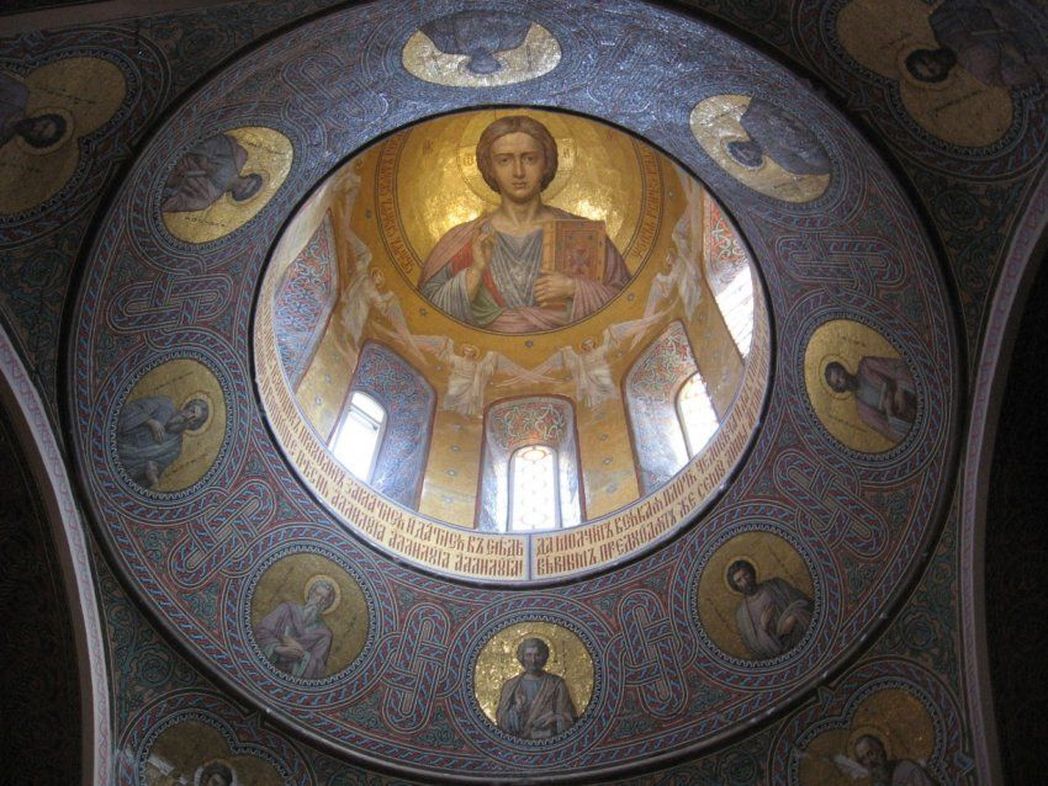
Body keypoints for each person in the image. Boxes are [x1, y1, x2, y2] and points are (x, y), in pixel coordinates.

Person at [418, 115, 630, 333]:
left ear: (546, 163)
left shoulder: (582, 234)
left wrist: (574, 288)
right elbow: (426, 314)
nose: (518, 172)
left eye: (529, 159)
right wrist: (476, 271)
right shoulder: (463, 240)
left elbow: (625, 303)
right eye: (504, 160)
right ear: (489, 168)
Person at [904, 1, 1047, 89]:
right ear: (942, 75)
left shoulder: (939, 23)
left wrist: (991, 5)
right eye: (932, 70)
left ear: (923, 52)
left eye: (924, 61)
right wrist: (1018, 56)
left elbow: (957, 3)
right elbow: (1034, 70)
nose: (932, 63)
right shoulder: (986, 74)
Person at [727, 559, 813, 660]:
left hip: (805, 638)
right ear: (736, 586)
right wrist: (763, 627)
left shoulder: (776, 585)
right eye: (739, 580)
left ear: (752, 572)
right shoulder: (742, 615)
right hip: (782, 657)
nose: (745, 581)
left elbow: (805, 602)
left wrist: (793, 618)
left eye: (746, 575)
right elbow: (754, 649)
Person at [116, 396, 209, 488]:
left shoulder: (175, 448)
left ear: (192, 426)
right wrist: (150, 422)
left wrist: (151, 472)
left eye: (193, 420)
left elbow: (154, 471)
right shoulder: (164, 405)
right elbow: (129, 409)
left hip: (118, 468)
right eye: (192, 411)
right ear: (186, 407)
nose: (188, 417)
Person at [253, 577, 337, 679]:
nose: (319, 601)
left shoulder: (324, 635)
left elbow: (318, 667)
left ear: (327, 605)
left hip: (290, 678)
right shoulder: (286, 609)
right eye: (317, 594)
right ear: (310, 593)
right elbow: (261, 631)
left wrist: (301, 654)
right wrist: (278, 649)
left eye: (325, 599)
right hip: (264, 666)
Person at [495, 637, 577, 739]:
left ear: (544, 657)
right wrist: (517, 709)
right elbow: (502, 721)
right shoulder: (511, 686)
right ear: (522, 657)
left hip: (549, 740)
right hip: (519, 743)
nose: (533, 660)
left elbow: (569, 717)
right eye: (528, 655)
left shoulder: (556, 684)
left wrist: (555, 719)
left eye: (537, 655)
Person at [725, 98, 830, 176]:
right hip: (825, 125)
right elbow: (824, 166)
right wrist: (802, 147)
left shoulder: (749, 122)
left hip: (804, 102)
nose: (745, 149)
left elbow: (764, 98)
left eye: (739, 148)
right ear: (756, 159)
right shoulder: (787, 163)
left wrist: (776, 118)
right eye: (746, 154)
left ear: (740, 142)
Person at [161, 132, 263, 213]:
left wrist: (175, 184)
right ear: (249, 177)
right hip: (178, 142)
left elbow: (172, 203)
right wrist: (203, 157)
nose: (243, 186)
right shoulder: (239, 156)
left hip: (164, 171)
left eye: (243, 190)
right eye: (248, 183)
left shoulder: (205, 199)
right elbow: (219, 139)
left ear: (237, 195)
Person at [824, 356, 917, 444]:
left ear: (843, 368)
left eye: (839, 372)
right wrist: (889, 411)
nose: (842, 379)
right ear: (839, 389)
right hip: (908, 417)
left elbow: (896, 367)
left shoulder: (866, 365)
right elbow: (888, 430)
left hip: (913, 391)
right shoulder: (863, 411)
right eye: (838, 382)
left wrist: (900, 391)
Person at [0, 72, 67, 149]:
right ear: (43, 118)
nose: (37, 128)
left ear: (30, 140)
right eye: (45, 125)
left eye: (39, 134)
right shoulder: (18, 94)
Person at [853, 734, 935, 786]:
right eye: (863, 759)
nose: (869, 762)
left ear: (881, 750)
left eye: (870, 753)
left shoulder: (908, 770)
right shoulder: (877, 783)